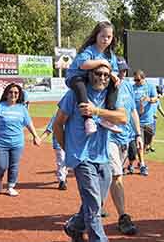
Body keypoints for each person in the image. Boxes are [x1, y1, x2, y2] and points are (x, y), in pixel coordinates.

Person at [53, 64, 127, 242]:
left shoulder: (110, 96)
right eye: (99, 74)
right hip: (82, 157)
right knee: (94, 204)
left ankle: (74, 226)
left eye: (106, 75)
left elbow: (123, 118)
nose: (103, 78)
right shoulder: (74, 95)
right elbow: (57, 124)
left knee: (96, 201)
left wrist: (97, 111)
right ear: (89, 74)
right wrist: (68, 149)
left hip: (102, 156)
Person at [65, 21, 121, 135]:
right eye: (103, 36)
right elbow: (83, 64)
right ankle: (88, 119)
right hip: (76, 77)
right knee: (80, 85)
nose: (105, 39)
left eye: (109, 37)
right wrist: (102, 61)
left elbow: (113, 69)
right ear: (96, 35)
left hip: (92, 79)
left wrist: (114, 76)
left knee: (114, 84)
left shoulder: (110, 55)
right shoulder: (90, 50)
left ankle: (107, 117)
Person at [0, 83, 41, 196]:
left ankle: (11, 186)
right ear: (6, 93)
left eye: (16, 93)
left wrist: (35, 136)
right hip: (0, 142)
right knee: (1, 166)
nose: (13, 94)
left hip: (17, 143)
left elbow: (29, 123)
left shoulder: (22, 108)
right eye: (11, 92)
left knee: (14, 165)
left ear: (19, 94)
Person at [107, 57, 142, 235]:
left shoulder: (127, 86)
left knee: (108, 176)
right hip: (109, 137)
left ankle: (92, 207)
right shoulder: (107, 86)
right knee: (116, 175)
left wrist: (137, 134)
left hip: (125, 138)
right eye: (119, 70)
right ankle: (123, 217)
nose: (122, 73)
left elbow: (133, 110)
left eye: (124, 70)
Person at [132, 69, 157, 176]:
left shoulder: (150, 86)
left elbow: (156, 98)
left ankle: (140, 157)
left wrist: (149, 99)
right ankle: (142, 164)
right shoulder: (132, 88)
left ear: (143, 78)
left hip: (149, 120)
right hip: (138, 120)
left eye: (138, 80)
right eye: (135, 80)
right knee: (140, 143)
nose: (136, 82)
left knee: (147, 143)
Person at [40, 114, 68, 190]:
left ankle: (64, 175)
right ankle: (62, 180)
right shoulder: (56, 116)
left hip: (71, 143)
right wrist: (40, 139)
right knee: (61, 161)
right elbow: (49, 129)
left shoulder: (74, 115)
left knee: (68, 162)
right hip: (59, 142)